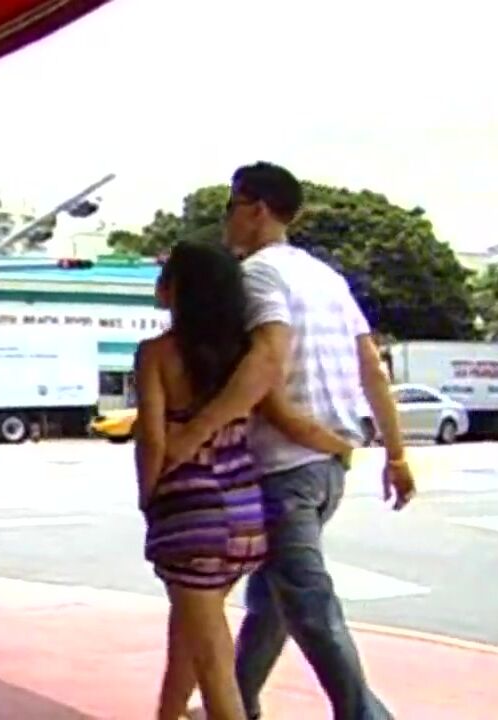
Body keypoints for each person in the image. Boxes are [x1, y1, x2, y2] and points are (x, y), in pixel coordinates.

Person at [163, 162, 416, 720]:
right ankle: (238, 701)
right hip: (329, 467)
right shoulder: (326, 277)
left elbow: (265, 362)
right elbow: (371, 366)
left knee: (307, 604)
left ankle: (365, 715)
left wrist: (195, 433)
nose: (226, 220)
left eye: (231, 207)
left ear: (257, 209)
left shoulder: (257, 275)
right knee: (271, 599)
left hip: (284, 465)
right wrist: (395, 454)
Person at [134, 240, 355, 720]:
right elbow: (287, 418)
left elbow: (151, 438)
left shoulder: (156, 354)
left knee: (214, 662)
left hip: (192, 515)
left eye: (165, 276)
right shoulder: (244, 358)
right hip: (246, 512)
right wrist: (340, 445)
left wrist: (150, 498)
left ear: (178, 289)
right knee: (190, 634)